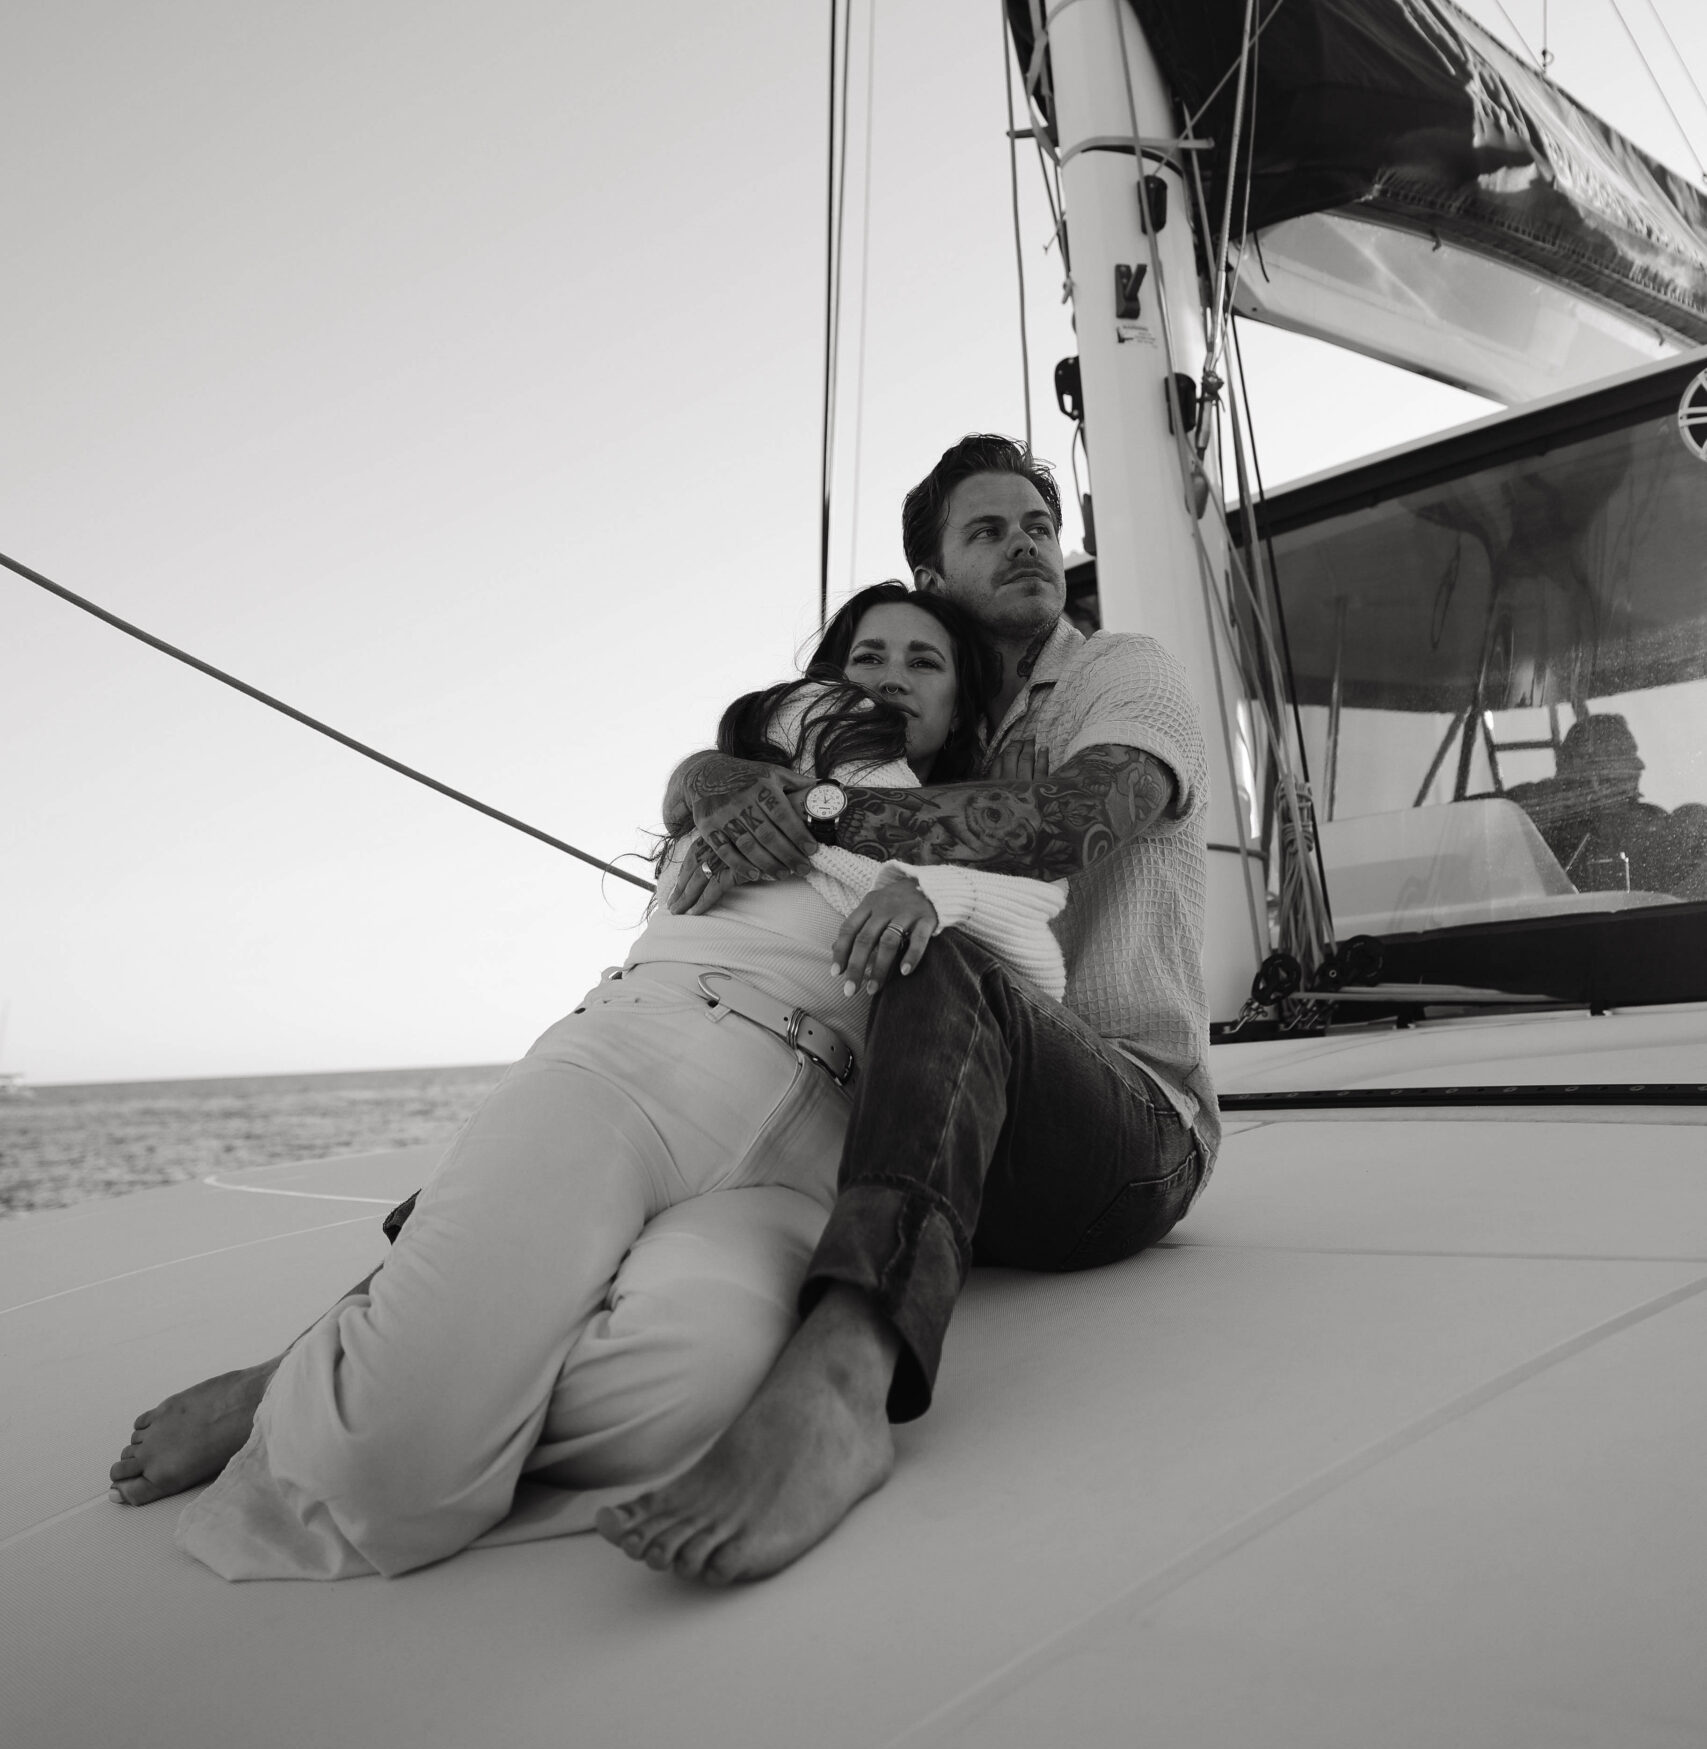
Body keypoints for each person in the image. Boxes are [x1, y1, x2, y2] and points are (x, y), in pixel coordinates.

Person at [113, 582, 1069, 1578]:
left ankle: (378, 1373)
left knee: (688, 1390)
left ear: (962, 709)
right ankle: (319, 1394)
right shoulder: (805, 735)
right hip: (656, 1053)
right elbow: (805, 808)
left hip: (810, 1147)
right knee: (372, 1472)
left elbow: (1039, 954)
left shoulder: (944, 820)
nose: (891, 680)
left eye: (925, 663)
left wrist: (937, 888)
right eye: (869, 654)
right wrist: (749, 789)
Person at [597, 433, 1216, 1585]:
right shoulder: (925, 723)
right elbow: (732, 765)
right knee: (708, 1006)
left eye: (1038, 522)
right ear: (932, 579)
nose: (1030, 542)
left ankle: (844, 1377)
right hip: (949, 1137)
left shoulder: (1121, 673)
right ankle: (370, 1336)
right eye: (989, 530)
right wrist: (707, 781)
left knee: (942, 944)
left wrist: (800, 803)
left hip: (1132, 1130)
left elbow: (1049, 830)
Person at [1509, 712, 1707, 898]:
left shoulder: (1657, 819)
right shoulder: (1529, 812)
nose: (1640, 765)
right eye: (1624, 754)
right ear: (1582, 761)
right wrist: (1578, 795)